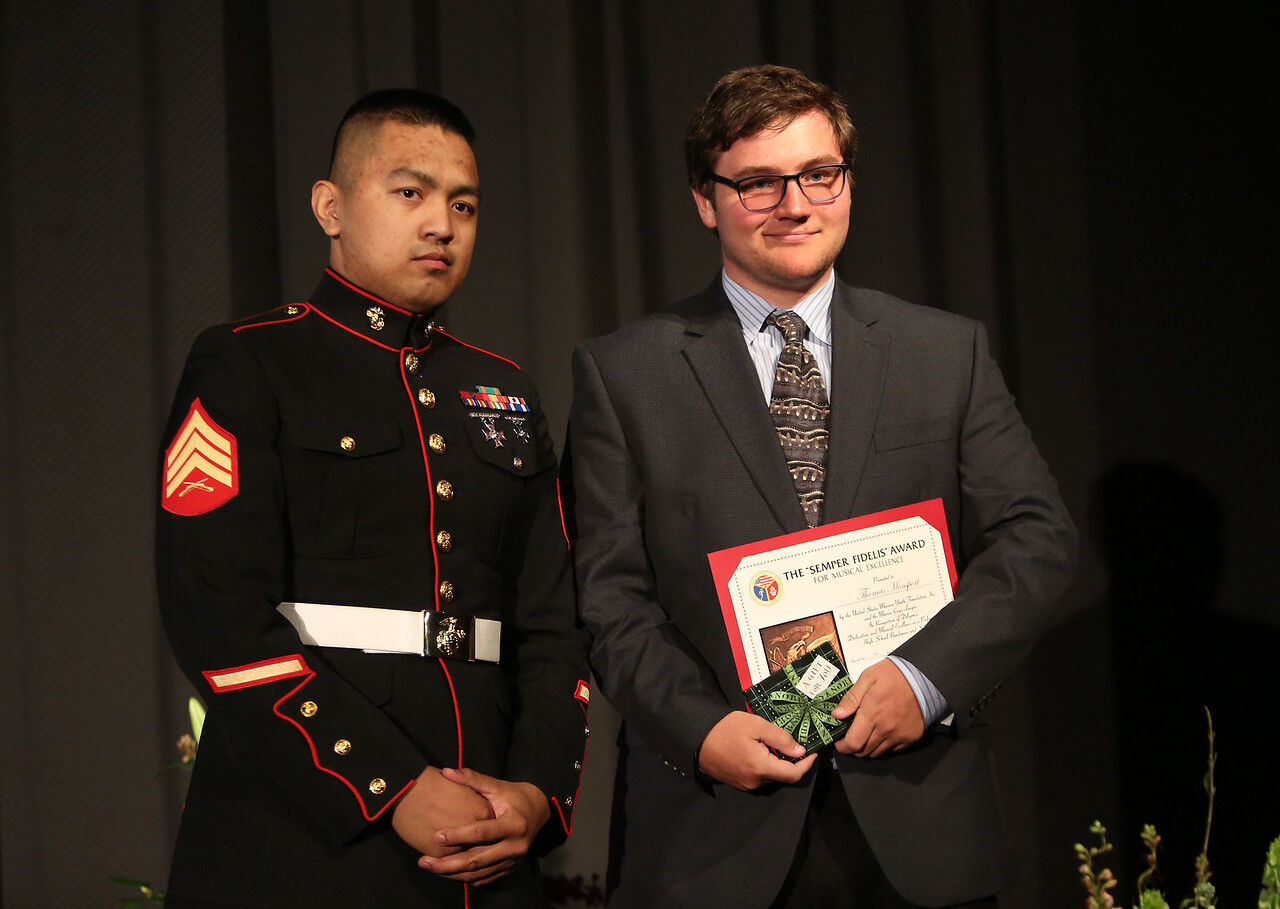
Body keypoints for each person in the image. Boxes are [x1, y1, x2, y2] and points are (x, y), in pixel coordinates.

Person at [567, 65, 1076, 907]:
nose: (795, 204)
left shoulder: (945, 352)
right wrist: (704, 730)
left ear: (846, 181)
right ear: (706, 199)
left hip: (922, 823)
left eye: (818, 174)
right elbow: (607, 596)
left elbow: (1038, 537)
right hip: (714, 833)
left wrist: (926, 679)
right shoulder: (625, 372)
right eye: (759, 183)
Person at [156, 89, 590, 908]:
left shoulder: (503, 390)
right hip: (306, 825)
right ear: (331, 206)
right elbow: (216, 612)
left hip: (494, 830)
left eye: (463, 204)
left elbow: (555, 626)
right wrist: (389, 783)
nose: (442, 224)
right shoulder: (251, 362)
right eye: (410, 192)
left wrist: (535, 793)